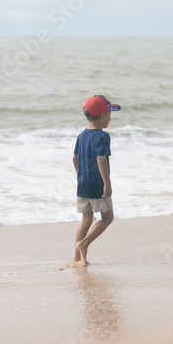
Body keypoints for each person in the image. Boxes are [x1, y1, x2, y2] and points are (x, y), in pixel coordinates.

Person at [66, 94, 120, 268]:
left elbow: (74, 158)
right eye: (110, 115)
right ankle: (84, 243)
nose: (110, 119)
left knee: (85, 220)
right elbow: (101, 159)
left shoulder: (81, 135)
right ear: (103, 116)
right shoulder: (103, 137)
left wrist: (80, 176)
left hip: (83, 185)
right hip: (97, 185)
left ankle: (77, 259)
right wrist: (107, 183)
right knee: (107, 217)